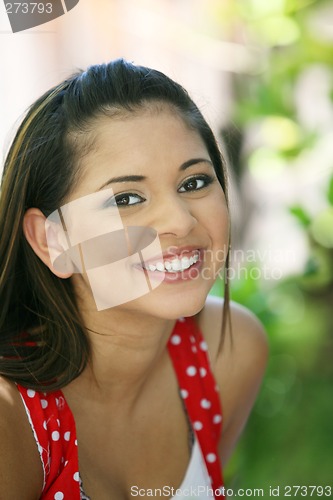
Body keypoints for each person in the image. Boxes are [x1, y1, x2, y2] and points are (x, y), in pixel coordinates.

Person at [0, 59, 268, 500]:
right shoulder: (11, 420)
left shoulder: (230, 351)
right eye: (126, 198)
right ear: (52, 242)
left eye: (194, 182)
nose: (180, 222)